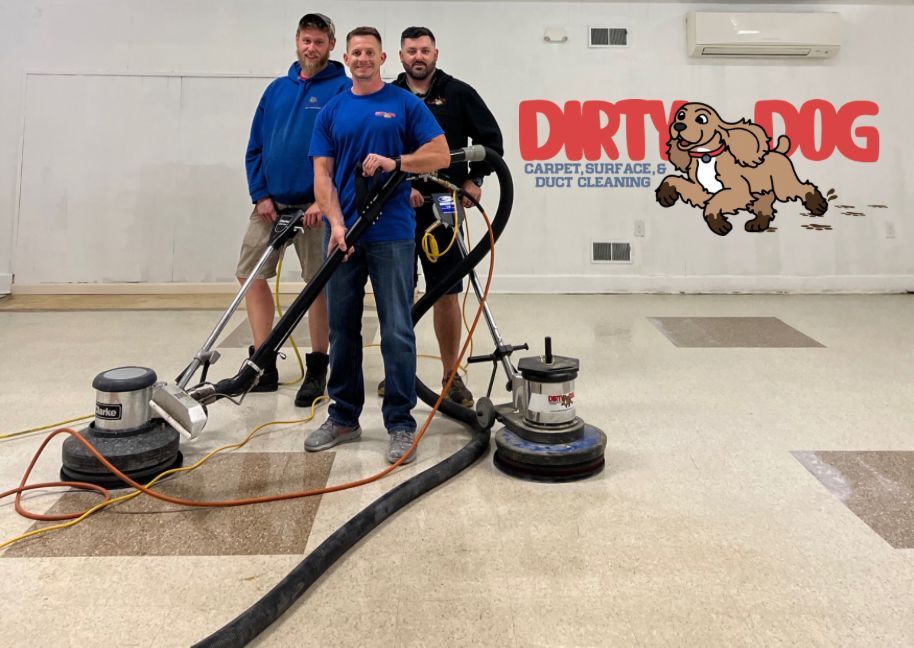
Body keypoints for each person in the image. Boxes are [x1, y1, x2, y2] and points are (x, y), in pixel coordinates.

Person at [305, 26, 450, 464]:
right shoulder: (331, 111)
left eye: (370, 52)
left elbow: (441, 154)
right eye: (356, 52)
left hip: (393, 235)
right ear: (345, 59)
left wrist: (397, 163)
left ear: (383, 58)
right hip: (343, 237)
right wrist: (334, 224)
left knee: (397, 332)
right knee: (342, 331)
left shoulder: (404, 104)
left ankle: (401, 423)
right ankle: (344, 416)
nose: (363, 58)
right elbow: (322, 175)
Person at [378, 26, 504, 407]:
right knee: (398, 294)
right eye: (412, 50)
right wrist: (402, 185)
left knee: (447, 291)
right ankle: (398, 374)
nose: (419, 56)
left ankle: (452, 375)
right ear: (400, 56)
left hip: (443, 206)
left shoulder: (459, 93)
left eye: (425, 50)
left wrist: (474, 179)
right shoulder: (389, 97)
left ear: (436, 54)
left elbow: (490, 143)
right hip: (397, 205)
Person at [235, 13, 350, 407]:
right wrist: (260, 194)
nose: (311, 48)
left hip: (316, 208)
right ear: (296, 42)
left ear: (331, 46)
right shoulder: (275, 91)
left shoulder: (342, 90)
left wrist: (324, 199)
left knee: (317, 286)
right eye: (306, 41)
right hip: (271, 205)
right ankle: (262, 361)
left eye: (319, 42)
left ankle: (318, 364)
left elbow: (345, 152)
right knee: (249, 275)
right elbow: (254, 147)